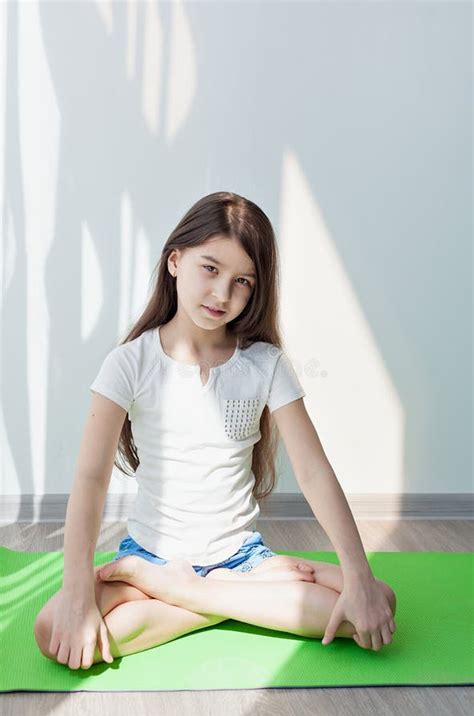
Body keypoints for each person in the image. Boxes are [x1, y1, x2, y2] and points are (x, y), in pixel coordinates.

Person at [34, 191, 397, 671]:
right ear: (175, 261)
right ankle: (231, 603)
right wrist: (79, 591)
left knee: (379, 599)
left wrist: (359, 575)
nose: (223, 294)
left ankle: (193, 597)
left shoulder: (265, 364)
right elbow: (91, 480)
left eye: (242, 280)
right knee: (52, 627)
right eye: (210, 269)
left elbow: (313, 471)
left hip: (243, 559)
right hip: (150, 559)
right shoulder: (130, 363)